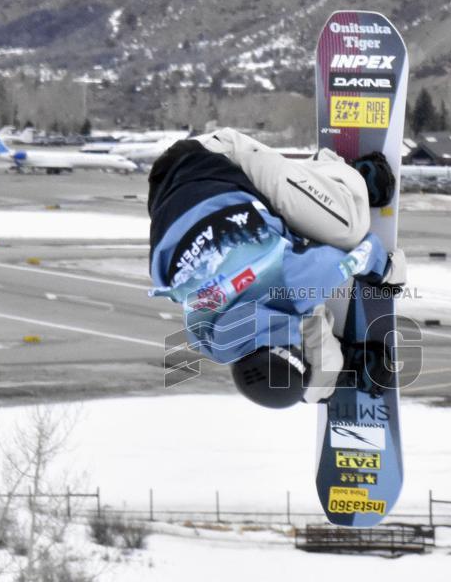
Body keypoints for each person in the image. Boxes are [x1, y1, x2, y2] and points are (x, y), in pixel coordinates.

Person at [148, 127, 405, 408]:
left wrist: (388, 272)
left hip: (215, 159)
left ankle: (338, 177)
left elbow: (358, 255)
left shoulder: (294, 282)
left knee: (349, 230)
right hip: (172, 208)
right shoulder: (209, 342)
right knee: (311, 383)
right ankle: (336, 370)